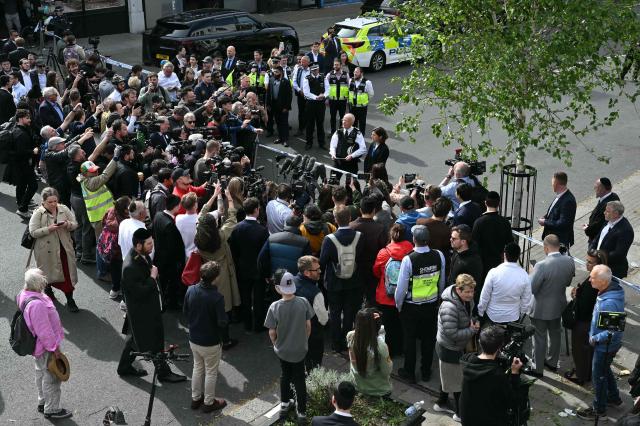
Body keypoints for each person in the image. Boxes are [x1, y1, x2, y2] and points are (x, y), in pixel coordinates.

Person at [117, 228, 186, 383]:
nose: (152, 246)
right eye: (148, 244)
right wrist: (153, 278)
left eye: (152, 243)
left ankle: (124, 366)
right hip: (143, 312)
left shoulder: (141, 256)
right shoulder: (130, 267)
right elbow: (139, 292)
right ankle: (163, 373)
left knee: (134, 339)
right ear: (138, 245)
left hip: (144, 309)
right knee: (155, 342)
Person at [17, 268, 72, 419]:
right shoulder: (37, 305)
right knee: (52, 377)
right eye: (42, 280)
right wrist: (55, 349)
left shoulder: (23, 294)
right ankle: (52, 409)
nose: (45, 282)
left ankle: (42, 402)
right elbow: (44, 331)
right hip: (45, 347)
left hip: (37, 347)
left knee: (40, 373)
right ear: (37, 284)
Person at [395, 225, 446, 383]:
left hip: (411, 307)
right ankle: (425, 371)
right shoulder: (439, 255)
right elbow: (441, 281)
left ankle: (409, 372)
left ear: (414, 240)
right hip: (431, 305)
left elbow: (401, 286)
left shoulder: (409, 259)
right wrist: (438, 299)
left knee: (409, 340)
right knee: (428, 339)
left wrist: (399, 305)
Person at [265, 270, 314, 423]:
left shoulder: (274, 306)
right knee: (300, 379)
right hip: (300, 349)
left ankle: (285, 404)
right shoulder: (303, 302)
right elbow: (308, 326)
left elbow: (272, 331)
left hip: (283, 350)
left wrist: (276, 344)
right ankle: (301, 412)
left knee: (285, 376)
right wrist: (303, 340)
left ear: (278, 288)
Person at [576, 265, 625, 420]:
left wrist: (594, 338)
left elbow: (614, 329)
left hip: (605, 346)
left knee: (598, 377)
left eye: (592, 277)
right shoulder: (606, 292)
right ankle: (614, 398)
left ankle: (599, 411)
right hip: (606, 346)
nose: (589, 279)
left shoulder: (609, 302)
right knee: (604, 370)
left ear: (603, 282)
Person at [195, 187, 240, 350]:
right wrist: (228, 198)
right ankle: (225, 339)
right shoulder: (220, 236)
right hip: (221, 271)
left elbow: (202, 214)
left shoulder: (198, 235)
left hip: (206, 269)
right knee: (224, 306)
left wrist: (215, 195)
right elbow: (232, 219)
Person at [525, 234, 576, 378]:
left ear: (546, 247)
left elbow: (533, 289)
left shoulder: (541, 265)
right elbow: (567, 283)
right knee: (555, 334)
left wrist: (531, 274)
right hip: (558, 305)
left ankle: (537, 369)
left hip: (540, 308)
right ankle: (553, 362)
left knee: (539, 338)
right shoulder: (569, 261)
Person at [184, 261, 229, 413]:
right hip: (210, 342)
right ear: (215, 278)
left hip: (194, 338)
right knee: (211, 372)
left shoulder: (191, 290)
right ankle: (209, 402)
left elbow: (185, 311)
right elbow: (222, 322)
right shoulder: (217, 297)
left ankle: (196, 398)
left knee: (197, 367)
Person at [320, 206, 365, 352]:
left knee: (334, 312)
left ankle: (335, 343)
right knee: (349, 312)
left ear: (335, 219)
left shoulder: (329, 239)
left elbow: (322, 261)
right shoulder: (359, 236)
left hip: (334, 282)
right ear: (350, 219)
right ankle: (347, 340)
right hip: (354, 281)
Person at [435, 274, 479, 421]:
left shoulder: (465, 300)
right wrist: (472, 331)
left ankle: (441, 403)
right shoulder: (449, 307)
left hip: (455, 347)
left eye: (472, 291)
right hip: (449, 349)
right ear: (458, 290)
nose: (470, 295)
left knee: (447, 377)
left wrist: (473, 321)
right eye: (467, 292)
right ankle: (460, 414)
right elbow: (452, 333)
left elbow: (468, 315)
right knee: (457, 383)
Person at [459, 326, 523, 426]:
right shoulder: (497, 375)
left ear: (480, 342)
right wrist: (515, 374)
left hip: (467, 420)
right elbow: (514, 402)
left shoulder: (467, 360)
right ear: (499, 347)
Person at [29, 187, 80, 312]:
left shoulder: (63, 209)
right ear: (43, 201)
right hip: (46, 252)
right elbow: (33, 232)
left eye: (55, 201)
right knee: (48, 275)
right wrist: (49, 229)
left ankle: (70, 300)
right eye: (50, 202)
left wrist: (67, 224)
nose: (53, 204)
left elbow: (75, 224)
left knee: (67, 276)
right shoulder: (38, 213)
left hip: (64, 249)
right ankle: (48, 290)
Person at [565, 249, 606, 386]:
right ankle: (585, 373)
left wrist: (576, 295)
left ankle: (581, 376)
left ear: (598, 264)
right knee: (587, 350)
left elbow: (584, 306)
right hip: (590, 321)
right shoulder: (598, 277)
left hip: (584, 322)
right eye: (587, 260)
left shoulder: (593, 283)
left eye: (590, 262)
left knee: (579, 350)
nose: (587, 264)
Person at [229, 197, 270, 332]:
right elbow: (265, 254)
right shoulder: (262, 230)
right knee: (258, 298)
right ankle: (258, 326)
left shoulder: (237, 228)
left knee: (245, 297)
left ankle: (247, 324)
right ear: (256, 210)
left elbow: (233, 250)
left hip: (242, 268)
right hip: (258, 270)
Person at [373, 223, 413, 357]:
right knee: (402, 324)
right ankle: (401, 348)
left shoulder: (384, 252)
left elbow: (377, 272)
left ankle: (389, 351)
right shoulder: (411, 250)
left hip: (385, 295)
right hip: (405, 295)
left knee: (388, 326)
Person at [477, 243, 532, 325]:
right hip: (513, 316)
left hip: (493, 315)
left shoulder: (493, 272)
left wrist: (481, 312)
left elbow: (485, 295)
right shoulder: (524, 275)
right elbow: (527, 299)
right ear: (518, 256)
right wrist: (521, 312)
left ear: (504, 255)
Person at [346, 308, 393, 397]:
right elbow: (387, 371)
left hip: (356, 385)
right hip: (378, 390)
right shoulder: (381, 346)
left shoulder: (350, 336)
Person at [350, 196, 387, 305]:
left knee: (356, 299)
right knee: (371, 299)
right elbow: (383, 249)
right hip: (373, 269)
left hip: (355, 269)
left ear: (360, 210)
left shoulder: (351, 226)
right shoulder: (380, 228)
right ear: (374, 210)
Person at [294, 255, 329, 371]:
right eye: (316, 270)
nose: (320, 271)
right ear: (307, 273)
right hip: (313, 336)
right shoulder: (316, 293)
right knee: (313, 365)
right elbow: (323, 319)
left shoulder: (291, 282)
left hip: (293, 332)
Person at [152, 194, 186, 310]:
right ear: (176, 207)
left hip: (159, 256)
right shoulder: (170, 225)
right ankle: (171, 304)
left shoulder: (158, 215)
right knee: (171, 283)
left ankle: (164, 300)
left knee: (163, 281)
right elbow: (173, 248)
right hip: (169, 261)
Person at [472, 191, 513, 281]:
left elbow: (474, 244)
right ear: (498, 204)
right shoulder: (505, 222)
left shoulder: (479, 222)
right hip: (498, 263)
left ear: (485, 203)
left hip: (483, 264)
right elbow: (510, 243)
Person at [3, 109, 37, 218]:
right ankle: (23, 208)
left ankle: (21, 203)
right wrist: (32, 151)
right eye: (27, 118)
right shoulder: (20, 133)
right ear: (21, 119)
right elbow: (20, 152)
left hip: (19, 164)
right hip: (23, 164)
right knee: (33, 186)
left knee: (22, 184)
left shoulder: (19, 129)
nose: (30, 120)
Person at [590, 200, 635, 278]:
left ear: (616, 214)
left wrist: (599, 256)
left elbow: (619, 254)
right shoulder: (608, 220)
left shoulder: (626, 230)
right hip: (599, 263)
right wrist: (591, 250)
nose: (604, 212)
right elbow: (598, 237)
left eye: (607, 211)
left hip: (611, 270)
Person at [101, 196, 130, 300]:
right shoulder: (125, 222)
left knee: (114, 270)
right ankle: (124, 294)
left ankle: (114, 290)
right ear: (125, 210)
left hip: (111, 249)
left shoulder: (110, 211)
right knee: (124, 272)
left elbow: (103, 223)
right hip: (121, 250)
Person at [539, 171, 577, 248]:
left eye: (552, 183)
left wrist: (545, 222)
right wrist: (546, 216)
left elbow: (563, 223)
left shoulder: (568, 201)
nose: (552, 185)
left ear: (557, 183)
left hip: (558, 242)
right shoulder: (560, 196)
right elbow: (555, 211)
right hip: (552, 240)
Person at [583, 177, 620, 245]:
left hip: (597, 241)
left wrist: (587, 229)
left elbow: (599, 224)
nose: (594, 189)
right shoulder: (613, 196)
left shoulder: (607, 205)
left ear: (602, 189)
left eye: (596, 187)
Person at [448, 225, 483, 294]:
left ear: (463, 241)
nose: (450, 240)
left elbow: (474, 286)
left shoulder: (473, 261)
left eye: (454, 238)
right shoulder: (456, 251)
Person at [266, 66, 293, 147]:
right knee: (277, 122)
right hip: (274, 105)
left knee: (284, 123)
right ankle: (280, 138)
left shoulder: (286, 82)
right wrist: (268, 104)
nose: (275, 73)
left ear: (281, 72)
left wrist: (286, 107)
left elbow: (289, 96)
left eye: (276, 72)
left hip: (283, 106)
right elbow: (268, 93)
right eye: (274, 72)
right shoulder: (271, 80)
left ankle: (285, 140)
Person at [303, 63, 327, 150]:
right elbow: (306, 92)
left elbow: (328, 89)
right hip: (311, 104)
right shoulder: (307, 79)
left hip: (321, 104)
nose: (315, 71)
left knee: (320, 124)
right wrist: (316, 97)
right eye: (313, 70)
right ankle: (309, 143)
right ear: (311, 70)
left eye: (316, 69)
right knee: (310, 124)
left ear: (318, 69)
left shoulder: (323, 77)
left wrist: (324, 95)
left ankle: (322, 143)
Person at [325, 58, 350, 134]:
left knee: (342, 118)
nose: (335, 66)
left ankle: (340, 132)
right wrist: (326, 99)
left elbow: (349, 87)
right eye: (334, 65)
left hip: (343, 101)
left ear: (341, 65)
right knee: (332, 118)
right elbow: (326, 88)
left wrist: (348, 100)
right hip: (333, 101)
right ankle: (333, 132)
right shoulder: (329, 75)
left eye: (337, 65)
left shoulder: (346, 75)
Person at [348, 67, 373, 134]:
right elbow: (349, 92)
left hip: (362, 108)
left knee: (362, 124)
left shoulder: (367, 82)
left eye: (356, 72)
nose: (354, 73)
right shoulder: (351, 80)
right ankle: (353, 139)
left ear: (361, 73)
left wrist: (363, 101)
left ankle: (361, 139)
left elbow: (371, 94)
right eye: (354, 72)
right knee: (353, 124)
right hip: (352, 107)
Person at [176, 192, 199, 259]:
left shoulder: (178, 218)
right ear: (195, 205)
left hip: (182, 255)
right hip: (195, 256)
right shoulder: (199, 220)